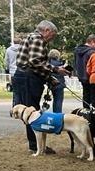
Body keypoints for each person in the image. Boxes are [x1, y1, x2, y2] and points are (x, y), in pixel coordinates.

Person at [13, 20, 67, 153]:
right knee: (32, 112)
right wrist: (55, 69)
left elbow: (35, 64)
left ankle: (36, 144)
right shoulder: (38, 38)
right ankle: (35, 145)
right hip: (28, 78)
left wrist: (50, 79)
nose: (52, 38)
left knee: (30, 110)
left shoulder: (30, 37)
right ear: (47, 30)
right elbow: (35, 62)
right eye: (52, 35)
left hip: (23, 76)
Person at [74, 34, 95, 104]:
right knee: (93, 98)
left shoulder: (77, 51)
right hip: (90, 76)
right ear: (92, 42)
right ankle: (92, 113)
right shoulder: (92, 52)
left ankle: (85, 112)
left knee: (85, 96)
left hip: (81, 76)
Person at [47, 49, 67, 113]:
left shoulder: (48, 63)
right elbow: (65, 72)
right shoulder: (60, 64)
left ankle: (55, 114)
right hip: (59, 83)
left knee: (55, 100)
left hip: (51, 83)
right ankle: (58, 114)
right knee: (58, 100)